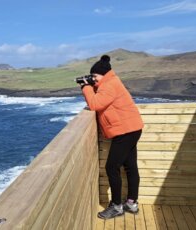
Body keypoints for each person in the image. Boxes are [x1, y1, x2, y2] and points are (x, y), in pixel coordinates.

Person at [79, 55, 144, 219]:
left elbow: (94, 104)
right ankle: (131, 203)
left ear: (102, 74)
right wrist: (92, 85)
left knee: (111, 167)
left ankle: (117, 206)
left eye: (94, 76)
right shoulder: (110, 82)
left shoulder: (109, 85)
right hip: (131, 128)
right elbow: (100, 99)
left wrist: (85, 86)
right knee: (130, 166)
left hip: (125, 131)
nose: (93, 79)